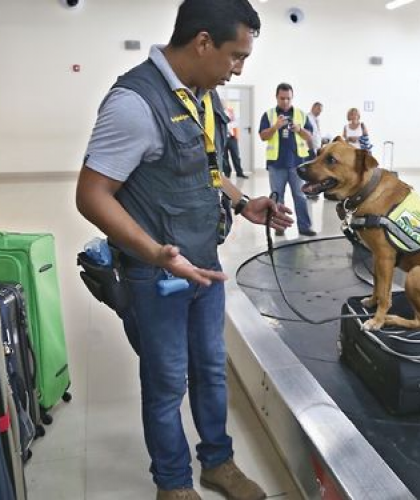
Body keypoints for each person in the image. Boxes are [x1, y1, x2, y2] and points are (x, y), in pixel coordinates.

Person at [75, 1, 293, 499]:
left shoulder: (199, 94)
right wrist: (154, 253)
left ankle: (218, 463)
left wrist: (242, 203)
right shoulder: (134, 103)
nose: (238, 68)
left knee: (212, 375)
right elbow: (91, 194)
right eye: (235, 56)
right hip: (158, 277)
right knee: (167, 383)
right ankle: (172, 483)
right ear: (202, 42)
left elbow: (205, 167)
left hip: (204, 270)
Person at [259, 83, 316, 236]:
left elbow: (309, 136)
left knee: (300, 196)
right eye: (282, 98)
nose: (285, 101)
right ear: (276, 97)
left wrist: (299, 129)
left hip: (297, 164)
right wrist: (275, 127)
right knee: (277, 197)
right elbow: (263, 136)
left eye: (288, 98)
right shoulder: (269, 115)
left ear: (292, 98)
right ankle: (279, 227)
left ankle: (305, 227)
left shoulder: (301, 115)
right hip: (276, 164)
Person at [223, 105, 248, 178]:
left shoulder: (231, 112)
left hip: (232, 137)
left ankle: (239, 172)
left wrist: (229, 123)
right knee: (224, 157)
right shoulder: (219, 112)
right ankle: (227, 173)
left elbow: (235, 123)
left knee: (236, 156)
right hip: (223, 138)